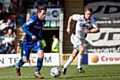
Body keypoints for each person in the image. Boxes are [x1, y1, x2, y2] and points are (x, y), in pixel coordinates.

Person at [62, 8, 100, 74]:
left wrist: (90, 31)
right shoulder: (79, 17)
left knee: (74, 55)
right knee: (82, 49)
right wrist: (68, 28)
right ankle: (79, 67)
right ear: (85, 13)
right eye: (88, 14)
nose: (89, 16)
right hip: (75, 36)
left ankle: (64, 67)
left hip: (82, 39)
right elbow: (70, 17)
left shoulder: (91, 20)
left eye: (90, 14)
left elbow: (97, 29)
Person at [15, 6, 47, 79]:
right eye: (43, 13)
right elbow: (23, 27)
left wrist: (39, 37)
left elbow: (39, 30)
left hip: (36, 41)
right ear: (39, 13)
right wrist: (31, 35)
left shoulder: (43, 21)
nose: (44, 15)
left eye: (45, 13)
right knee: (25, 60)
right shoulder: (33, 19)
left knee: (41, 54)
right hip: (27, 41)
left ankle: (37, 72)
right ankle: (17, 66)